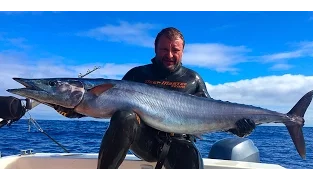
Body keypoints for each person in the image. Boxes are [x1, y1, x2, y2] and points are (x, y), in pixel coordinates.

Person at [54, 27, 256, 169]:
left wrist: (236, 127)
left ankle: (287, 118)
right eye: (164, 49)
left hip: (181, 145)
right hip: (145, 143)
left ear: (182, 51)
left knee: (191, 158)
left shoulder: (192, 79)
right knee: (125, 116)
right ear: (155, 49)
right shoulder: (137, 75)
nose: (169, 54)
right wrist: (62, 104)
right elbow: (98, 104)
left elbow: (208, 114)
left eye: (175, 50)